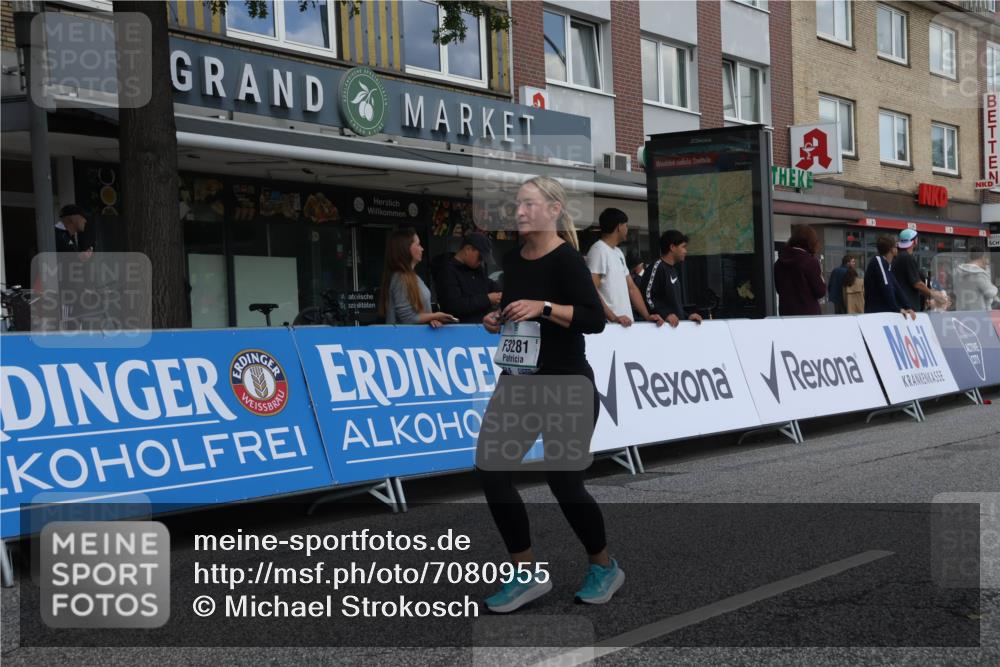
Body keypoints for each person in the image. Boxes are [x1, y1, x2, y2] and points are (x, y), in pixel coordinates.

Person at [477, 176, 622, 613]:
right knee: (491, 471)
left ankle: (604, 566)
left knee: (563, 481)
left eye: (528, 205)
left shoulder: (568, 261)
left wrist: (542, 307)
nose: (519, 212)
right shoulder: (514, 259)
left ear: (554, 209)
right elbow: (524, 316)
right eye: (517, 205)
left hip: (566, 384)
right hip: (520, 383)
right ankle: (525, 573)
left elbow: (594, 319)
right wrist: (499, 317)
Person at [585, 208, 663, 327]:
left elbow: (632, 288)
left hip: (625, 325)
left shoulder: (617, 252)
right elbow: (591, 290)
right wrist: (614, 317)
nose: (627, 229)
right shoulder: (598, 250)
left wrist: (647, 316)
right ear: (619, 227)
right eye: (626, 225)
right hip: (611, 327)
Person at [378, 228, 457, 327]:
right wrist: (435, 316)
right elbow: (407, 318)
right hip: (404, 340)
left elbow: (417, 317)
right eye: (418, 244)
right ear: (406, 248)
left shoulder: (412, 277)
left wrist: (431, 320)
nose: (422, 248)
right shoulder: (399, 278)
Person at [431, 232, 502, 323]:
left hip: (482, 327)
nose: (481, 262)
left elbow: (489, 284)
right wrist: (487, 299)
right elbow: (454, 306)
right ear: (468, 249)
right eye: (480, 257)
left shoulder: (477, 270)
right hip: (458, 330)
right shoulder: (447, 271)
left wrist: (501, 293)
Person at [640, 229, 703, 327]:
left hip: (675, 329)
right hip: (661, 330)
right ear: (672, 247)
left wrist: (687, 316)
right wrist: (665, 314)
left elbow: (674, 306)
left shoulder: (673, 270)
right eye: (683, 247)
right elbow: (646, 296)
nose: (685, 251)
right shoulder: (657, 267)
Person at [773, 224, 826, 316]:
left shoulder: (779, 262)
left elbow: (779, 289)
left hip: (786, 314)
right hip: (808, 315)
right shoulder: (810, 262)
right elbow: (820, 291)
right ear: (811, 242)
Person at [891, 229, 948, 311]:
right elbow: (917, 283)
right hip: (909, 308)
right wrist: (934, 294)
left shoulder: (898, 257)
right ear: (915, 242)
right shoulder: (907, 257)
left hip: (902, 305)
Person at [864, 234, 916, 318]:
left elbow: (897, 289)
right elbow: (886, 287)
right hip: (876, 315)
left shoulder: (888, 266)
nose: (898, 249)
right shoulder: (878, 261)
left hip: (884, 314)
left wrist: (908, 307)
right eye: (896, 246)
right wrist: (897, 309)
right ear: (892, 249)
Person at [953, 247, 999, 311]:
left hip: (962, 311)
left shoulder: (958, 272)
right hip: (979, 314)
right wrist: (995, 288)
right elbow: (990, 292)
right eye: (986, 258)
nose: (987, 262)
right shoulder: (979, 274)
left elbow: (955, 291)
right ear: (983, 257)